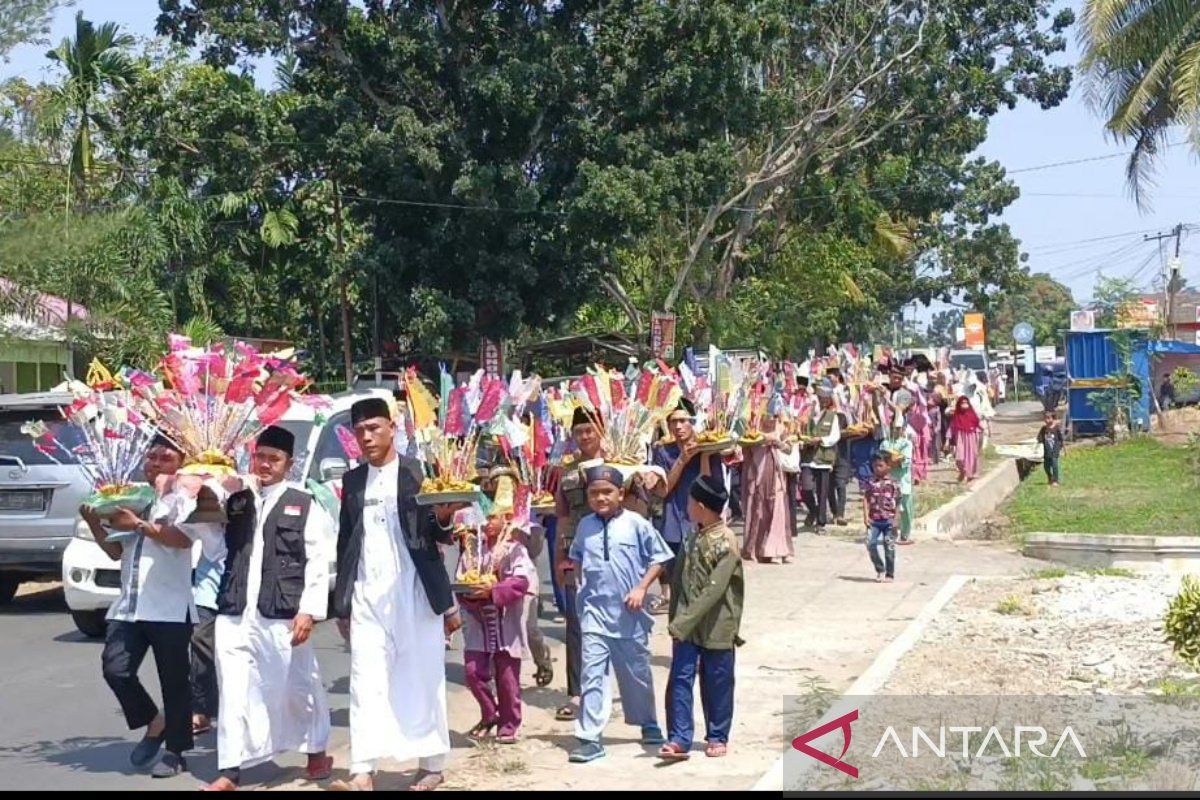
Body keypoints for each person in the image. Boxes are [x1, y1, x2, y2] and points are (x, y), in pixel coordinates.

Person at [329, 397, 463, 792]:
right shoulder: (353, 482)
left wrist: (444, 515)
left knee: (423, 676)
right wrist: (343, 605)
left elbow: (439, 535)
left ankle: (433, 763)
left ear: (392, 427)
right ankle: (362, 769)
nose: (367, 437)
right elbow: (345, 542)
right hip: (368, 595)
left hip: (416, 590)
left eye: (374, 428)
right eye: (360, 431)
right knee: (364, 679)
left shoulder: (417, 473)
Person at [203, 426, 334, 791]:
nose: (264, 465)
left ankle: (315, 750)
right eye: (260, 457)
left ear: (288, 464)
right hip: (235, 610)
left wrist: (309, 609)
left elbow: (319, 559)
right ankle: (230, 769)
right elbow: (215, 548)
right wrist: (199, 500)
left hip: (284, 611)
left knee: (296, 684)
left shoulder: (304, 502)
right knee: (232, 687)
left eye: (273, 459)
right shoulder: (237, 500)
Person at [82, 435, 221, 778]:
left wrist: (141, 525)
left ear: (180, 464)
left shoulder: (186, 498)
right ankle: (153, 721)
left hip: (169, 608)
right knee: (116, 669)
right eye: (152, 457)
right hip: (129, 606)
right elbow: (117, 551)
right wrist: (94, 523)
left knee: (174, 682)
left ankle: (176, 751)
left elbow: (182, 539)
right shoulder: (132, 497)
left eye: (165, 458)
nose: (156, 463)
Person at [565, 466, 673, 764]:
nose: (600, 498)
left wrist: (641, 588)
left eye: (607, 492)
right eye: (594, 493)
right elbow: (576, 556)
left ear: (621, 494)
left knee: (636, 674)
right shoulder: (585, 525)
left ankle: (648, 722)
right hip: (593, 615)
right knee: (592, 676)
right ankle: (589, 737)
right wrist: (579, 584)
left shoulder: (637, 524)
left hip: (629, 616)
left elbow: (660, 558)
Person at [659, 475, 744, 762]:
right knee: (680, 678)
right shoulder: (692, 537)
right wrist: (675, 619)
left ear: (701, 505)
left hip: (718, 624)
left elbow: (714, 590)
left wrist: (682, 621)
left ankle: (717, 735)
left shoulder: (727, 542)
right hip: (685, 624)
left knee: (717, 680)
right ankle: (680, 737)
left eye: (690, 502)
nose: (687, 506)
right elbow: (679, 580)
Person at [458, 475, 538, 745]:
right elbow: (462, 580)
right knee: (472, 672)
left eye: (491, 517)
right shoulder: (471, 549)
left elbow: (521, 581)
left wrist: (493, 591)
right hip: (479, 622)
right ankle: (489, 713)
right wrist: (471, 594)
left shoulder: (515, 549)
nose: (486, 524)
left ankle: (509, 724)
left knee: (507, 679)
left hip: (505, 623)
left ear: (505, 518)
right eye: (481, 517)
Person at [552, 407, 605, 723]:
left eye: (590, 430)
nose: (585, 436)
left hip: (610, 555)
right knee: (575, 624)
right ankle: (576, 691)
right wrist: (559, 558)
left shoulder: (618, 463)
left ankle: (608, 687)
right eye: (579, 431)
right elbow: (561, 515)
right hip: (576, 554)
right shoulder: (567, 470)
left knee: (612, 624)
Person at [651, 398, 727, 608]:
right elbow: (663, 490)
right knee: (676, 575)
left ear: (692, 422)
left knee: (702, 578)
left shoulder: (710, 446)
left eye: (683, 421)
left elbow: (709, 489)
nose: (678, 426)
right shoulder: (664, 451)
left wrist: (703, 455)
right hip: (674, 520)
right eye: (673, 421)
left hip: (701, 521)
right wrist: (682, 460)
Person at [739, 416, 794, 564]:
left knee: (778, 510)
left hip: (776, 474)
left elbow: (789, 449)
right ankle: (756, 549)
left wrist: (777, 442)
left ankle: (777, 550)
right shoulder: (751, 425)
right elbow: (743, 446)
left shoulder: (781, 427)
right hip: (756, 473)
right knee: (758, 510)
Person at [799, 388, 841, 533]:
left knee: (822, 492)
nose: (822, 400)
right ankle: (814, 510)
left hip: (823, 457)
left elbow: (835, 436)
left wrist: (821, 440)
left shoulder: (832, 417)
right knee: (806, 488)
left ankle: (821, 523)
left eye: (825, 398)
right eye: (819, 397)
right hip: (808, 457)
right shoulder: (806, 416)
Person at [862, 455, 901, 582]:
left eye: (880, 465)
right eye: (875, 466)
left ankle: (890, 574)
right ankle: (880, 569)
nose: (877, 469)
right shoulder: (871, 482)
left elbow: (898, 502)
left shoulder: (894, 483)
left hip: (889, 521)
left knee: (889, 547)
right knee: (871, 544)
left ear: (888, 466)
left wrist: (896, 519)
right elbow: (866, 499)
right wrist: (865, 515)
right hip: (874, 520)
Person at [880, 416, 915, 545]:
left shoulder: (906, 443)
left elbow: (904, 461)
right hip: (889, 481)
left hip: (903, 481)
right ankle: (891, 533)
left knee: (905, 509)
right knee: (889, 508)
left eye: (898, 428)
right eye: (893, 428)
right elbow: (883, 460)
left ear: (903, 429)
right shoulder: (885, 443)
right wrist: (892, 460)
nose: (895, 430)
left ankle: (905, 534)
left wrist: (893, 460)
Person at [947, 395, 983, 484]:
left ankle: (970, 475)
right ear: (959, 404)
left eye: (966, 403)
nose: (964, 404)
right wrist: (947, 440)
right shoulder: (956, 416)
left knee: (971, 457)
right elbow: (951, 427)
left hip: (971, 438)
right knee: (959, 458)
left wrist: (983, 430)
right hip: (960, 439)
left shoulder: (972, 414)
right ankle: (963, 472)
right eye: (962, 403)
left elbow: (978, 424)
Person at [1037, 412, 1065, 487]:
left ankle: (1055, 480)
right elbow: (1039, 438)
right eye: (1045, 418)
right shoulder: (1043, 429)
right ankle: (1050, 477)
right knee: (1046, 466)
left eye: (1048, 418)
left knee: (1054, 463)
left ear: (1053, 419)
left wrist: (1059, 447)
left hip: (1055, 449)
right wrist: (1040, 442)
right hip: (1047, 450)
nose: (1047, 420)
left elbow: (1060, 439)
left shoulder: (1056, 428)